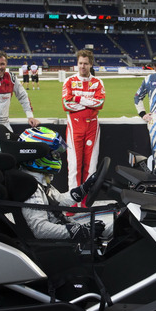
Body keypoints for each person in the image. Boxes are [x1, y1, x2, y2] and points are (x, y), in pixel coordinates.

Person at [17, 127, 111, 241]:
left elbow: (58, 201)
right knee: (112, 225)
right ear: (38, 155)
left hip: (63, 224)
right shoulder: (30, 187)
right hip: (57, 242)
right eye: (54, 153)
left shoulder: (37, 179)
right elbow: (40, 229)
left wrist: (84, 188)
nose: (57, 157)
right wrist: (79, 231)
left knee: (112, 220)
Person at [63, 49, 106, 189]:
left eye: (85, 63)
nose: (82, 66)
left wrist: (77, 98)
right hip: (74, 127)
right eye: (80, 63)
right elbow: (66, 105)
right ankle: (72, 202)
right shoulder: (69, 81)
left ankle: (86, 201)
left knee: (91, 166)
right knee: (74, 166)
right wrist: (89, 104)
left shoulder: (98, 82)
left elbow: (99, 104)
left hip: (92, 127)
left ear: (91, 64)